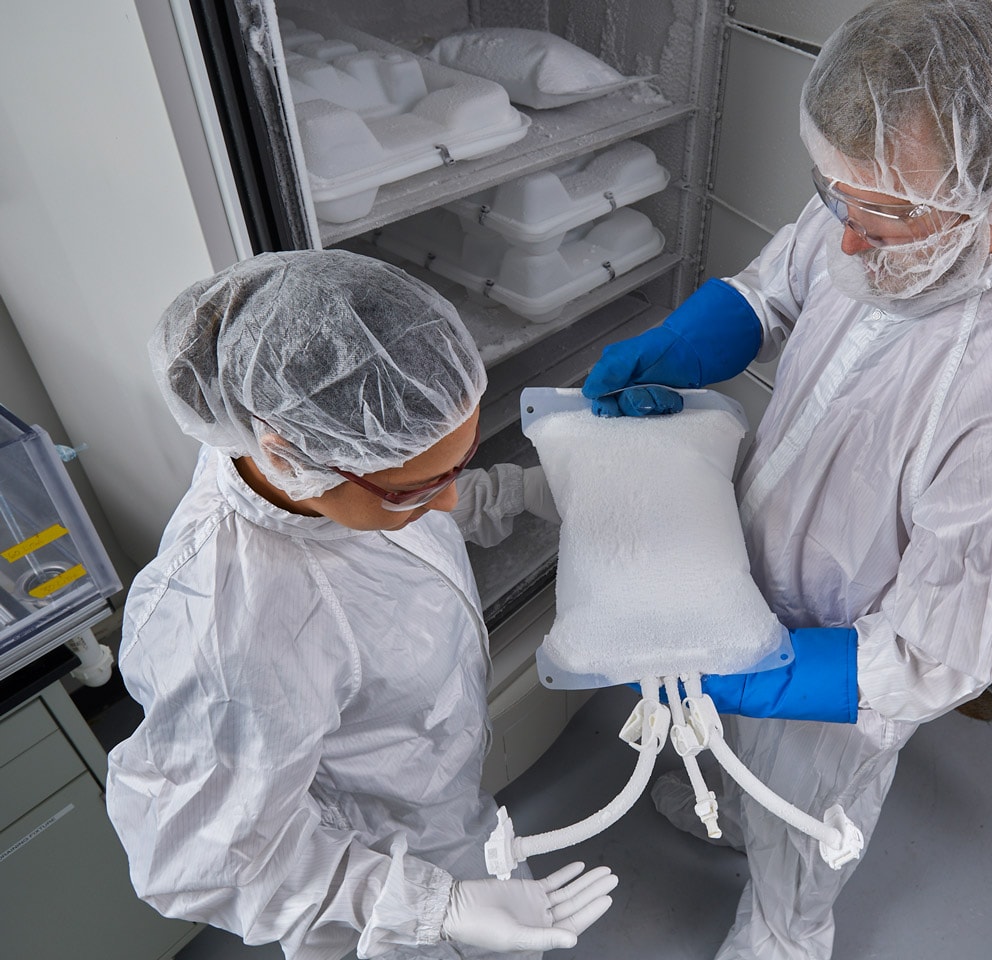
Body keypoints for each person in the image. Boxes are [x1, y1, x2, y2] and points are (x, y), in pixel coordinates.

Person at [581, 1, 992, 958]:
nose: (845, 237)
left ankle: (784, 935)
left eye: (878, 212)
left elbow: (931, 655)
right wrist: (677, 344)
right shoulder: (890, 202)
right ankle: (729, 802)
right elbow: (782, 285)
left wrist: (764, 669)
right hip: (757, 571)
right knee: (732, 748)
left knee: (802, 821)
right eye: (837, 195)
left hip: (845, 677)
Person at [105, 250, 616, 960]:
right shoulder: (234, 626)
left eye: (457, 467)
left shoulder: (326, 471)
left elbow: (425, 507)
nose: (446, 502)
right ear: (287, 457)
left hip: (442, 813)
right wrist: (438, 908)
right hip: (364, 891)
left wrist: (529, 492)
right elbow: (203, 858)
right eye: (414, 490)